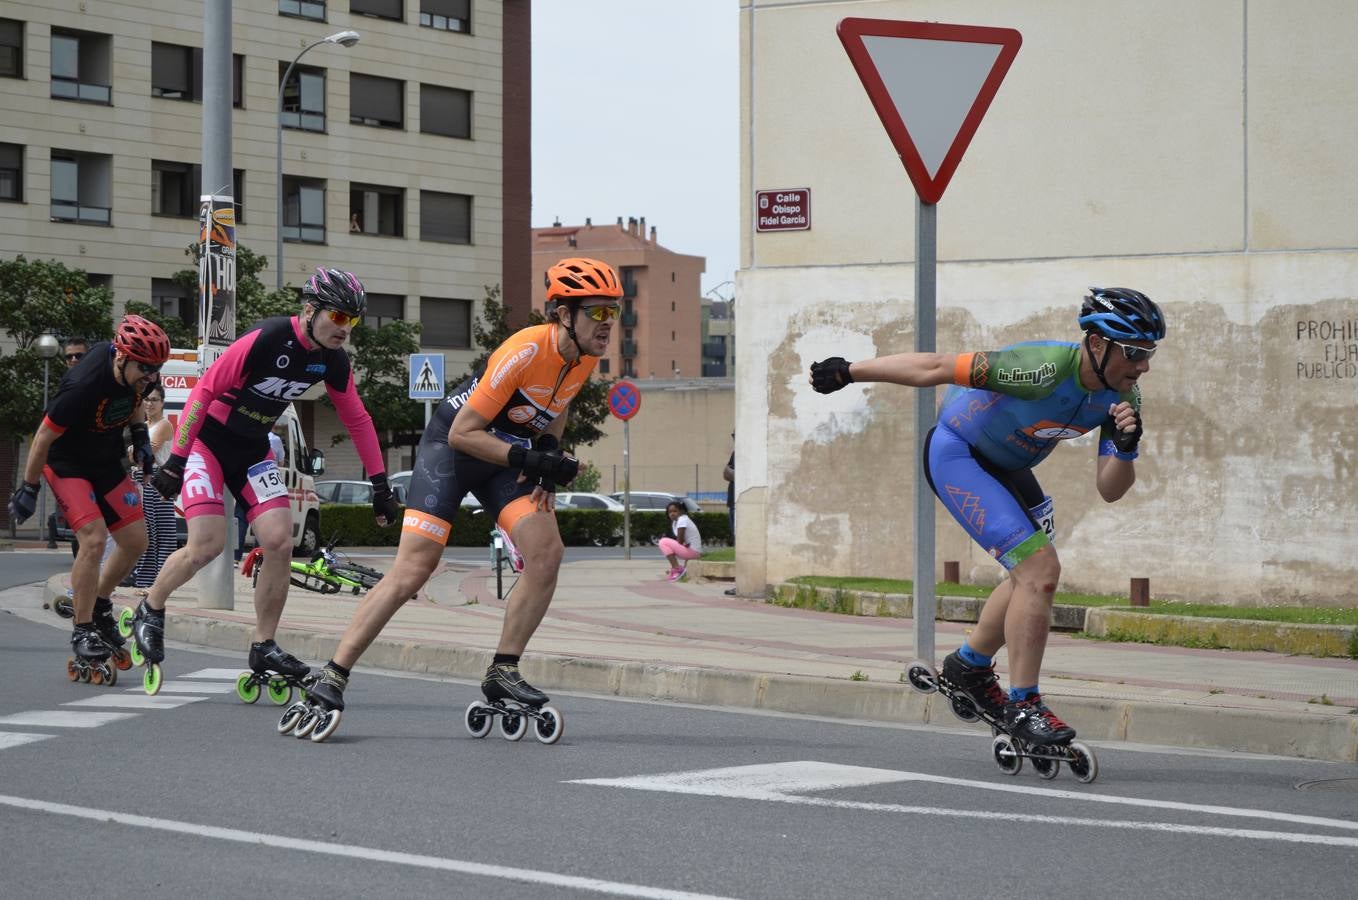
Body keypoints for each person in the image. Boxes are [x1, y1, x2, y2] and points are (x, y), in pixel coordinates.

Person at [808, 287, 1165, 747]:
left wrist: (1128, 448)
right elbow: (937, 367)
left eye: (1149, 353)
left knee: (1030, 576)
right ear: (1096, 344)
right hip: (959, 454)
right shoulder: (1039, 368)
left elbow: (1110, 489)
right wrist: (851, 371)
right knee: (1040, 570)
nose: (1143, 366)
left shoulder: (1124, 399)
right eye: (1134, 353)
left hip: (1009, 468)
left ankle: (969, 666)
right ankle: (1024, 704)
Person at [300, 257, 621, 730]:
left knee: (547, 552)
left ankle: (503, 670)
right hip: (453, 450)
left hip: (503, 459)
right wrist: (535, 461)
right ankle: (333, 674)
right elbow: (463, 435)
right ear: (562, 313)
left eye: (613, 312)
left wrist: (549, 456)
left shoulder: (584, 357)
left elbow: (556, 408)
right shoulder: (525, 351)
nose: (607, 324)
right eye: (596, 312)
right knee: (414, 569)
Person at [137, 267, 398, 687]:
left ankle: (264, 645)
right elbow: (203, 391)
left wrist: (382, 485)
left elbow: (358, 419)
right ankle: (152, 606)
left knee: (278, 540)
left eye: (353, 321)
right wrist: (178, 459)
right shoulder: (269, 337)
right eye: (339, 317)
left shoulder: (332, 360)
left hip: (252, 448)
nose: (345, 329)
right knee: (206, 545)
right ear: (311, 310)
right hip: (207, 441)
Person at [7, 316, 170, 677]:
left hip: (105, 459)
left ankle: (98, 605)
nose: (151, 376)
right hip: (66, 463)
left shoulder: (138, 376)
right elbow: (42, 439)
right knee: (94, 540)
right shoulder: (82, 384)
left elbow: (136, 403)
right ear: (121, 358)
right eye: (145, 368)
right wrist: (29, 487)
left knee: (135, 540)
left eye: (157, 369)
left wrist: (140, 436)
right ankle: (82, 630)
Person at [128, 382, 175, 590]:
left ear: (162, 402)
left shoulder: (164, 425)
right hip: (141, 478)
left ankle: (155, 581)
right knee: (146, 531)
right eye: (146, 399)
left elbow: (146, 452)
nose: (149, 404)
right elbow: (135, 455)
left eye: (154, 399)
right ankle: (146, 579)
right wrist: (136, 452)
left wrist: (135, 451)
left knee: (160, 532)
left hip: (156, 479)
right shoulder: (144, 426)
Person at [658, 500, 702, 581]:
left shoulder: (682, 519)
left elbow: (679, 541)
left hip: (693, 552)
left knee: (663, 542)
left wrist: (682, 543)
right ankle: (676, 568)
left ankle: (677, 569)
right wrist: (683, 543)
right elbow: (681, 541)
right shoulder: (676, 522)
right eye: (670, 512)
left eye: (675, 511)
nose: (672, 514)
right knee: (665, 543)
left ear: (681, 511)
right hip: (692, 551)